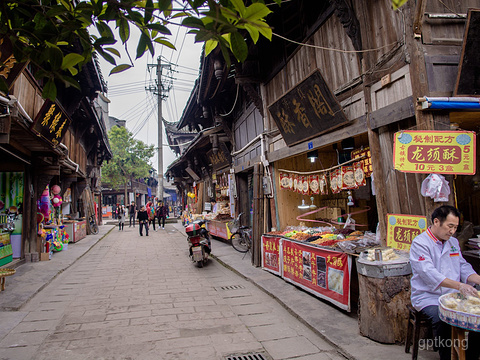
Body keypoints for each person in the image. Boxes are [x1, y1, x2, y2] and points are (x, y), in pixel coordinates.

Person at [410, 205, 480, 360]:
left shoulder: (453, 242)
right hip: (428, 296)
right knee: (442, 319)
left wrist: (477, 279)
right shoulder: (420, 243)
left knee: (476, 315)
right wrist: (460, 285)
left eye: (455, 227)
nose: (452, 231)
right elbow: (429, 274)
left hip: (453, 295)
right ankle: (447, 357)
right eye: (450, 226)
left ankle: (470, 355)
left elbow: (463, 266)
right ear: (436, 222)